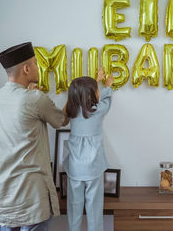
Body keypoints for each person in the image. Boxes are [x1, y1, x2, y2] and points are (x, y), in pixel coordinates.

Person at [0, 42, 69, 230]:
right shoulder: (35, 99)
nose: (38, 68)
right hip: (32, 198)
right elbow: (61, 120)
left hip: (6, 196)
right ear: (25, 68)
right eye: (35, 64)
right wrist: (72, 97)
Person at [63, 69, 114, 231]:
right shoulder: (98, 111)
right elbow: (106, 99)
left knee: (74, 208)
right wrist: (107, 85)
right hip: (93, 168)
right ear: (91, 95)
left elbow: (83, 94)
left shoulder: (70, 112)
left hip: (75, 169)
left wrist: (96, 80)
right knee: (94, 209)